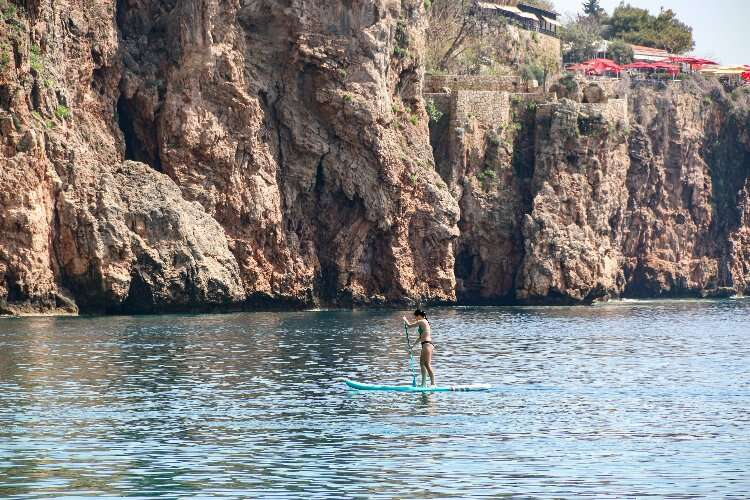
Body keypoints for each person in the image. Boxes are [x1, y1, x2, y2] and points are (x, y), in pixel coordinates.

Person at [403, 309, 435, 387]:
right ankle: (423, 384)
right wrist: (412, 346)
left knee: (427, 364)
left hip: (427, 345)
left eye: (415, 317)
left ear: (419, 316)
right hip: (426, 345)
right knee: (422, 364)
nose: (415, 319)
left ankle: (433, 384)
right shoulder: (424, 323)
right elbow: (421, 337)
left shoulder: (422, 321)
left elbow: (409, 326)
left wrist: (405, 320)